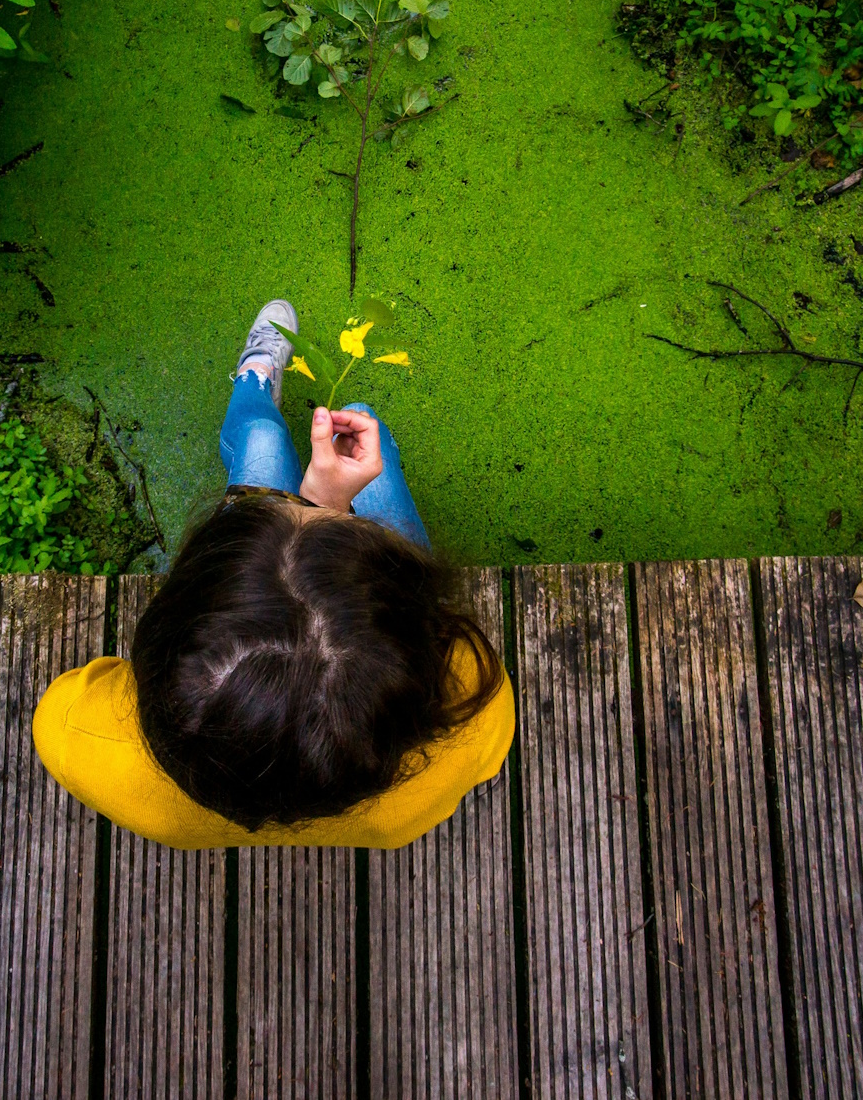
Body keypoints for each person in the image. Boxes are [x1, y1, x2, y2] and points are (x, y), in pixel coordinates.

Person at [31, 301, 515, 848]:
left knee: (261, 439)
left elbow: (86, 687)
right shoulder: (468, 713)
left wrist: (320, 508)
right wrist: (330, 506)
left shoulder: (83, 742)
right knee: (359, 420)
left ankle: (254, 387)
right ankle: (293, 429)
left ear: (172, 618)